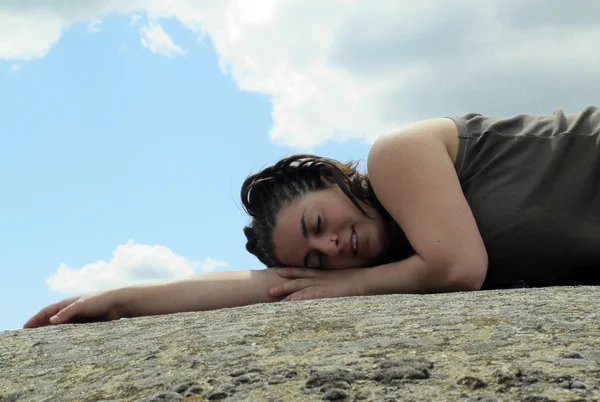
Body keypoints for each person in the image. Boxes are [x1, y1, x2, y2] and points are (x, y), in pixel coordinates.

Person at [24, 105, 600, 329]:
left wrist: (346, 285)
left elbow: (459, 266)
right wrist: (122, 300)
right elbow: (273, 289)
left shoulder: (396, 155)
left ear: (331, 180)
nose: (332, 251)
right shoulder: (401, 267)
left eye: (316, 225)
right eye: (316, 260)